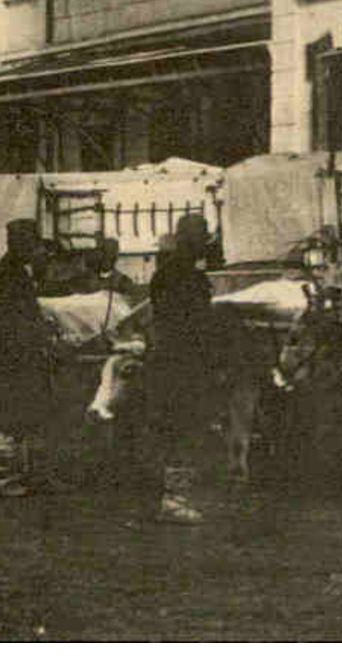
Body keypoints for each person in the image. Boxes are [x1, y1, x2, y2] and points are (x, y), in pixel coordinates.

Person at [131, 213, 216, 525]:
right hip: (180, 364)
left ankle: (173, 496)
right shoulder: (183, 276)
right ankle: (174, 500)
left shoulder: (172, 272)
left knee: (176, 428)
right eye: (202, 234)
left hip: (173, 361)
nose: (207, 240)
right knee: (182, 428)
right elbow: (190, 324)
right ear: (187, 237)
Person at [0, 219, 57, 497]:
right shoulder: (6, 275)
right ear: (15, 243)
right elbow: (15, 322)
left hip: (26, 354)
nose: (35, 248)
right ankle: (5, 479)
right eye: (30, 243)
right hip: (15, 356)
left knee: (34, 415)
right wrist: (40, 337)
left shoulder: (17, 272)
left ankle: (35, 476)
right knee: (13, 417)